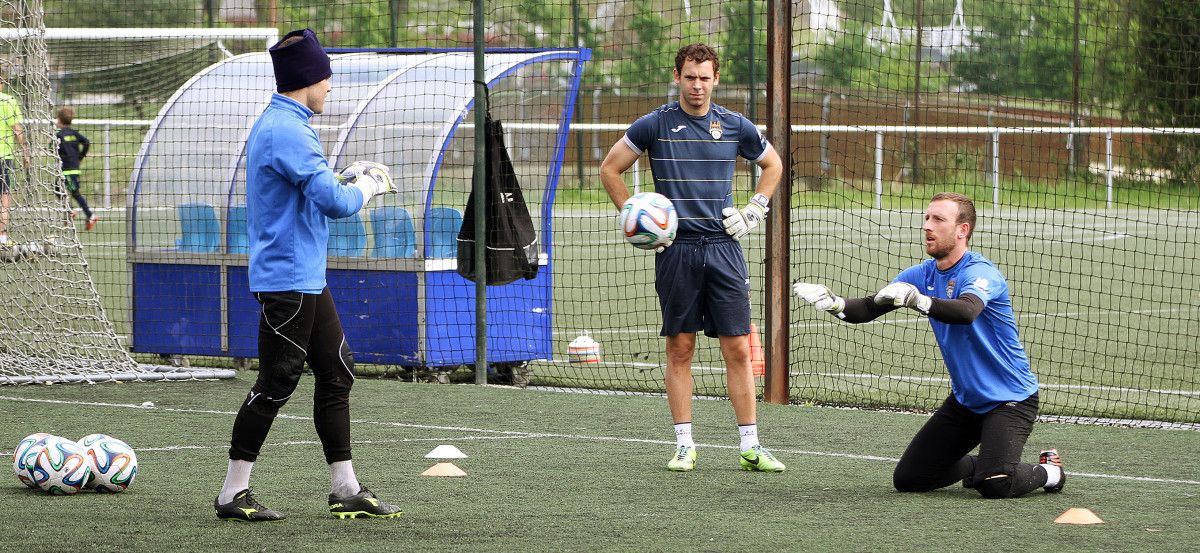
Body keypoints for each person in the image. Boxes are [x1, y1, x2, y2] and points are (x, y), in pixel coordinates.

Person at [215, 28, 401, 522]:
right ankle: (232, 494)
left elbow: (311, 188)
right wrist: (367, 185)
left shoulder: (286, 124)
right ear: (308, 79)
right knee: (277, 381)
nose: (331, 86)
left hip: (305, 278)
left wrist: (343, 176)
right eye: (327, 78)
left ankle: (345, 488)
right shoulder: (290, 131)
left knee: (337, 371)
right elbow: (338, 205)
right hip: (288, 280)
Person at [793, 192, 1066, 498]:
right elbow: (869, 308)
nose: (927, 226)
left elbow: (966, 311)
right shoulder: (920, 274)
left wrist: (919, 300)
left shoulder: (980, 272)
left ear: (962, 230)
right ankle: (982, 465)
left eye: (938, 219)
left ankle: (1050, 472)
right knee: (911, 479)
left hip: (1010, 399)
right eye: (926, 218)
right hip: (967, 402)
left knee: (996, 483)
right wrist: (834, 303)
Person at [599, 44, 786, 473]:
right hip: (676, 251)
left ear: (716, 79)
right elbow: (610, 169)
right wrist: (635, 217)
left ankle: (751, 446)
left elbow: (772, 165)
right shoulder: (655, 125)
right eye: (689, 77)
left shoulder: (736, 126)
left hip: (724, 248)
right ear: (677, 77)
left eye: (704, 77)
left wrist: (756, 208)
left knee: (738, 348)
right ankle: (684, 444)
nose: (697, 85)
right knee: (680, 348)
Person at [54, 106, 97, 230]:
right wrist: (80, 156)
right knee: (59, 188)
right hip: (74, 168)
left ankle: (85, 214)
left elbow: (51, 147)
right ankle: (72, 211)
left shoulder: (59, 135)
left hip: (67, 170)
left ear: (60, 120)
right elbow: (87, 142)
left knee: (73, 193)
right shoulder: (74, 133)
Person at [0, 72, 29, 245]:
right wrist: (25, 151)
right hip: (3, 157)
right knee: (3, 198)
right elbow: (17, 130)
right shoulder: (8, 101)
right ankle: (2, 239)